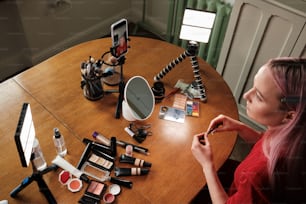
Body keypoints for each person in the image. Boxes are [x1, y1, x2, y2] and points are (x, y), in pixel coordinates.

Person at [191, 57, 306, 203]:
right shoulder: (292, 135)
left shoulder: (257, 175)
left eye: (259, 96)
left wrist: (207, 165)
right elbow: (263, 142)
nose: (246, 95)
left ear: (289, 116)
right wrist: (239, 127)